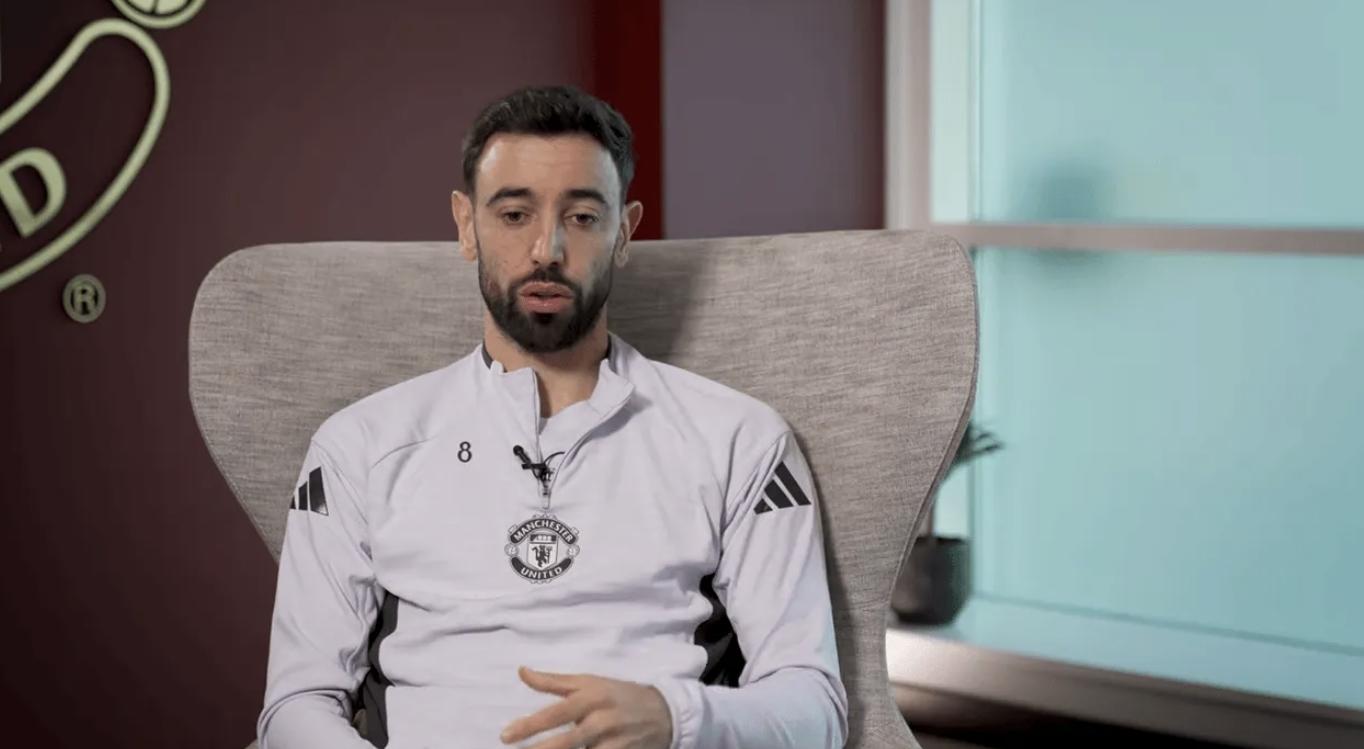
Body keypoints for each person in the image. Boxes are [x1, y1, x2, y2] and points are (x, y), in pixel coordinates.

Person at [256, 85, 848, 749]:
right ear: (465, 225)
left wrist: (677, 717)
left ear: (624, 232)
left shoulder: (740, 440)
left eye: (583, 217)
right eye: (514, 214)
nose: (547, 248)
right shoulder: (359, 446)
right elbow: (297, 704)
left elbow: (815, 707)